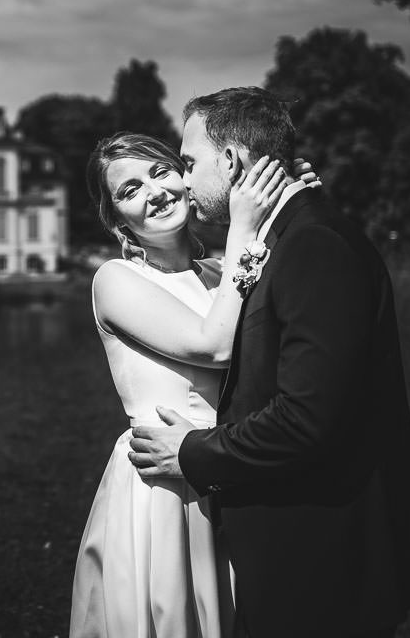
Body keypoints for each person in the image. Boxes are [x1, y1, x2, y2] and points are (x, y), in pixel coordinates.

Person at [128, 87, 410, 638]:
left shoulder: (311, 245)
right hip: (299, 547)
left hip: (323, 552)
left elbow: (307, 418)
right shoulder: (284, 239)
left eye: (188, 164)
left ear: (231, 162)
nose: (181, 181)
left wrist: (193, 452)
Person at [70, 131, 315, 638]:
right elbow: (215, 346)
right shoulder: (115, 280)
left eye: (161, 171)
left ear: (185, 176)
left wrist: (284, 208)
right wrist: (245, 225)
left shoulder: (222, 271)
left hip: (233, 466)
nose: (154, 192)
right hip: (165, 485)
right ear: (118, 220)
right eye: (130, 189)